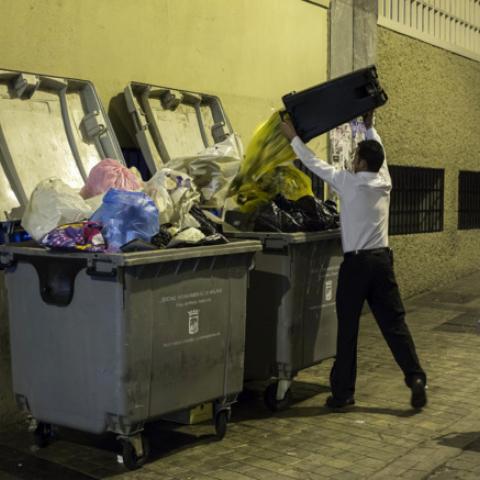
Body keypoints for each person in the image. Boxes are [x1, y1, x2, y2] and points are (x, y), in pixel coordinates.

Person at [280, 111, 427, 410]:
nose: (353, 159)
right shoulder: (385, 181)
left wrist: (292, 136)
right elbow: (379, 156)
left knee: (348, 330)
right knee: (394, 324)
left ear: (360, 163)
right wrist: (370, 128)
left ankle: (344, 393)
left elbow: (312, 163)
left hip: (357, 265)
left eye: (356, 156)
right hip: (382, 263)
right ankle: (415, 378)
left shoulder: (348, 182)